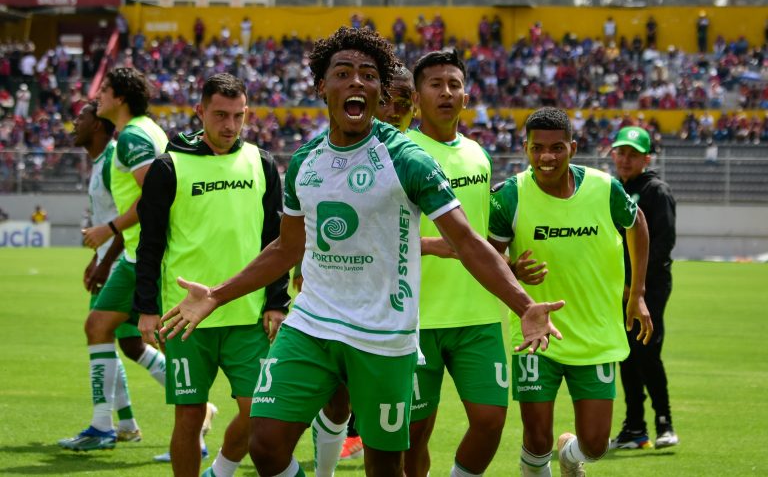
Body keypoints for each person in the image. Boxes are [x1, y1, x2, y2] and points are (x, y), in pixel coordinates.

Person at [160, 26, 564, 477]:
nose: (357, 82)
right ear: (322, 86)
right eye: (344, 73)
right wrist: (216, 294)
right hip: (312, 324)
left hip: (383, 334)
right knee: (267, 443)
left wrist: (524, 304)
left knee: (385, 466)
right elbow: (286, 246)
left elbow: (467, 241)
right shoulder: (303, 161)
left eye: (369, 75)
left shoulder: (408, 159)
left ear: (380, 91)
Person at [134, 73, 290, 477]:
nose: (230, 126)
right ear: (200, 111)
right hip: (184, 318)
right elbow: (149, 244)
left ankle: (220, 470)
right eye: (220, 115)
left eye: (238, 116)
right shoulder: (169, 167)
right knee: (188, 416)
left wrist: (276, 301)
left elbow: (275, 240)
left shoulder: (263, 163)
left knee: (259, 412)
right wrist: (147, 308)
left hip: (246, 316)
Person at [487, 107, 653, 477]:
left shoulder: (605, 187)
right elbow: (487, 258)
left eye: (557, 147)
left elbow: (637, 223)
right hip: (535, 337)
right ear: (525, 148)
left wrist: (637, 293)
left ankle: (569, 453)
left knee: (594, 446)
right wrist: (513, 270)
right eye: (538, 147)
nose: (547, 156)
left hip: (595, 334)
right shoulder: (508, 197)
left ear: (573, 148)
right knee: (536, 438)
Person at [403, 48, 509, 477]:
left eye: (454, 84)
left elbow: (481, 232)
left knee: (491, 420)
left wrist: (507, 268)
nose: (446, 92)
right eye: (435, 84)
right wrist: (429, 245)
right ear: (415, 98)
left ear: (466, 96)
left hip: (478, 314)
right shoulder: (400, 151)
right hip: (416, 317)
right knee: (414, 435)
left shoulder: (478, 155)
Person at [310, 64, 418, 476]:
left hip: (409, 318)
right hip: (341, 305)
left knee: (404, 438)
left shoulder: (420, 159)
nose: (393, 110)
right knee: (337, 401)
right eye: (387, 100)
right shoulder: (331, 155)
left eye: (403, 103)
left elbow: (467, 235)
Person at [60, 67, 168, 452]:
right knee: (122, 336)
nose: (96, 98)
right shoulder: (146, 131)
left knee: (110, 331)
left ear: (119, 97)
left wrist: (108, 233)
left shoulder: (130, 140)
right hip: (140, 253)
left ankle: (107, 425)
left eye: (103, 91)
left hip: (140, 254)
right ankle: (119, 423)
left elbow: (152, 196)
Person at [609, 126, 678, 450]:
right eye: (621, 152)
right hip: (619, 289)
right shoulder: (613, 190)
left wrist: (636, 287)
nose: (625, 159)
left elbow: (662, 244)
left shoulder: (655, 191)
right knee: (626, 355)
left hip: (649, 287)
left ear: (647, 158)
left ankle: (664, 421)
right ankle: (635, 427)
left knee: (647, 352)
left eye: (633, 154)